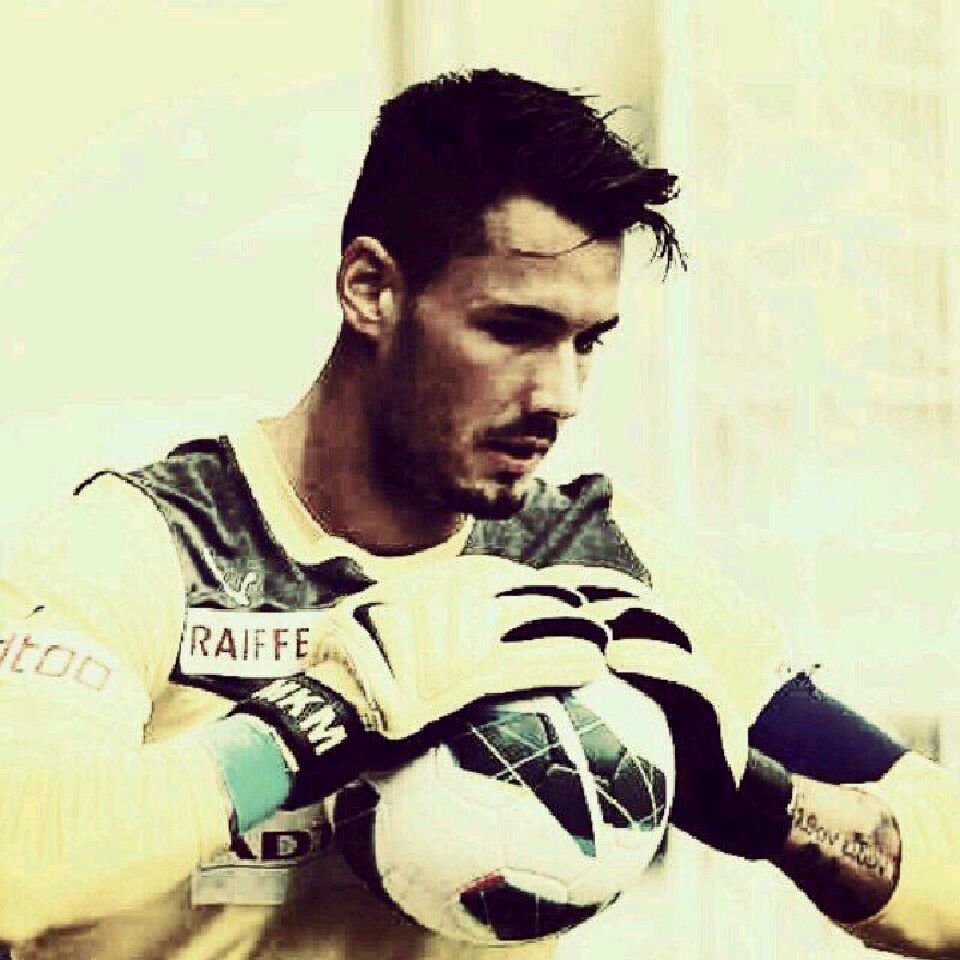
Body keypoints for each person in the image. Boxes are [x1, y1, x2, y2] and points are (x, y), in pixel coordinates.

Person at [0, 68, 956, 960]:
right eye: (514, 330)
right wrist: (324, 716)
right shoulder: (154, 544)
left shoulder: (601, 563)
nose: (561, 394)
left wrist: (762, 803)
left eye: (588, 342)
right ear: (371, 288)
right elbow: (15, 863)